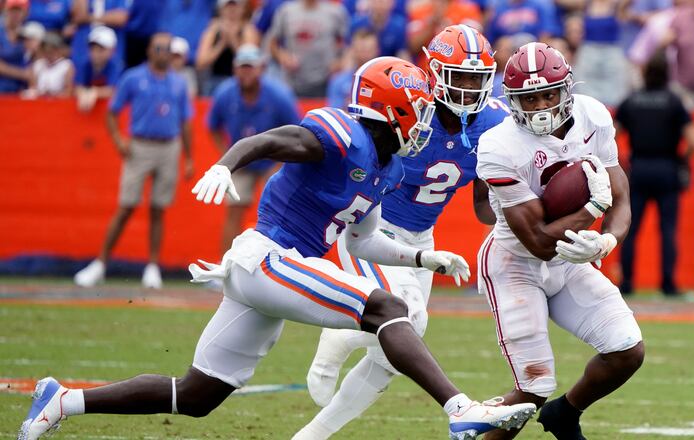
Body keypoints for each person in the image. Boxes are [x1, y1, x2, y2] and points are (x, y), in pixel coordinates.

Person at [18, 56, 537, 440]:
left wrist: (426, 258)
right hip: (268, 257)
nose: (426, 117)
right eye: (418, 107)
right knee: (386, 308)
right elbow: (269, 140)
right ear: (394, 109)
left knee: (197, 395)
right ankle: (459, 407)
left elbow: (363, 240)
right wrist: (226, 164)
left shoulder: (391, 167)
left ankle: (62, 401)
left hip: (274, 271)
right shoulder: (341, 134)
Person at [295, 24, 510, 440]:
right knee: (408, 318)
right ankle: (338, 335)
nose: (467, 89)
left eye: (476, 79)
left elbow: (483, 207)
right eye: (459, 76)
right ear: (435, 71)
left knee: (396, 356)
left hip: (421, 238)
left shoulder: (493, 125)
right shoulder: (412, 110)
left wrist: (512, 205)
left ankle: (314, 434)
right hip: (373, 229)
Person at [474, 42, 645, 440]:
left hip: (568, 263)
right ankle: (474, 423)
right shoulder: (499, 145)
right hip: (514, 264)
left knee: (626, 350)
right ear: (513, 101)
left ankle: (566, 414)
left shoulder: (593, 115)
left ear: (567, 88)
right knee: (532, 387)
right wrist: (591, 211)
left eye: (549, 93)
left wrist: (606, 242)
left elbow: (620, 196)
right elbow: (536, 241)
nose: (541, 105)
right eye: (529, 98)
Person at [72, 33, 194, 289]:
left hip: (168, 146)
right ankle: (100, 263)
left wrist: (189, 157)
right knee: (126, 205)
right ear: (149, 51)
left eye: (167, 49)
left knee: (159, 208)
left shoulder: (179, 83)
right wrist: (118, 140)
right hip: (140, 144)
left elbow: (186, 121)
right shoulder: (133, 77)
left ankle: (152, 267)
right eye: (158, 48)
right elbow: (112, 111)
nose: (163, 53)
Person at [616, 52, 694, 297]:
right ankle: (668, 284)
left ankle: (627, 283)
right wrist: (682, 160)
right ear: (667, 74)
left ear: (644, 73)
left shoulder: (631, 100)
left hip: (639, 168)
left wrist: (622, 161)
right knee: (668, 228)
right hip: (667, 168)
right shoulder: (675, 101)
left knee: (630, 228)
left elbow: (611, 134)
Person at [207, 44, 300, 253]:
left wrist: (280, 163)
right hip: (242, 160)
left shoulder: (279, 95)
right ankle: (225, 268)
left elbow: (298, 132)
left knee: (280, 213)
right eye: (242, 67)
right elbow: (213, 126)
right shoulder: (224, 93)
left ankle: (283, 265)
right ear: (234, 69)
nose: (246, 72)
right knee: (233, 211)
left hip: (272, 159)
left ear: (262, 69)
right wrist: (228, 156)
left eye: (250, 67)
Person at [268, 0, 348, 97]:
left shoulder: (335, 11)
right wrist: (283, 57)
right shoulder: (286, 11)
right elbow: (272, 43)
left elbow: (348, 43)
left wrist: (339, 62)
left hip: (325, 80)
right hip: (293, 80)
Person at [195, 0, 257, 96]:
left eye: (235, 7)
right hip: (215, 81)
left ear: (242, 9)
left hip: (241, 81)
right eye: (228, 7)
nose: (232, 10)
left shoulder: (248, 30)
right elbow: (200, 62)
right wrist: (221, 44)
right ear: (221, 10)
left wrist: (233, 40)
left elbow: (251, 61)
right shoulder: (212, 30)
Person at [326, 28, 380, 109]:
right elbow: (335, 113)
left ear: (377, 50)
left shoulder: (385, 83)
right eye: (361, 49)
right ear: (353, 50)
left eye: (369, 50)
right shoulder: (338, 81)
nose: (365, 54)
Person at [75, 26, 123, 112]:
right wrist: (83, 93)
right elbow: (78, 87)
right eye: (92, 49)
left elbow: (114, 91)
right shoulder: (84, 64)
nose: (95, 53)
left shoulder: (116, 65)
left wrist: (94, 92)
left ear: (112, 50)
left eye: (101, 50)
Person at [26, 32, 74, 98]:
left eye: (51, 48)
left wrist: (52, 95)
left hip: (58, 103)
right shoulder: (37, 65)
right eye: (44, 48)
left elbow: (68, 91)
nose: (48, 51)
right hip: (39, 102)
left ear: (57, 49)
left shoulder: (66, 65)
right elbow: (32, 88)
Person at [0, 0, 30, 94]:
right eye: (12, 10)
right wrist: (22, 74)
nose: (15, 14)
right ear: (6, 10)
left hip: (21, 88)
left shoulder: (28, 33)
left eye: (19, 11)